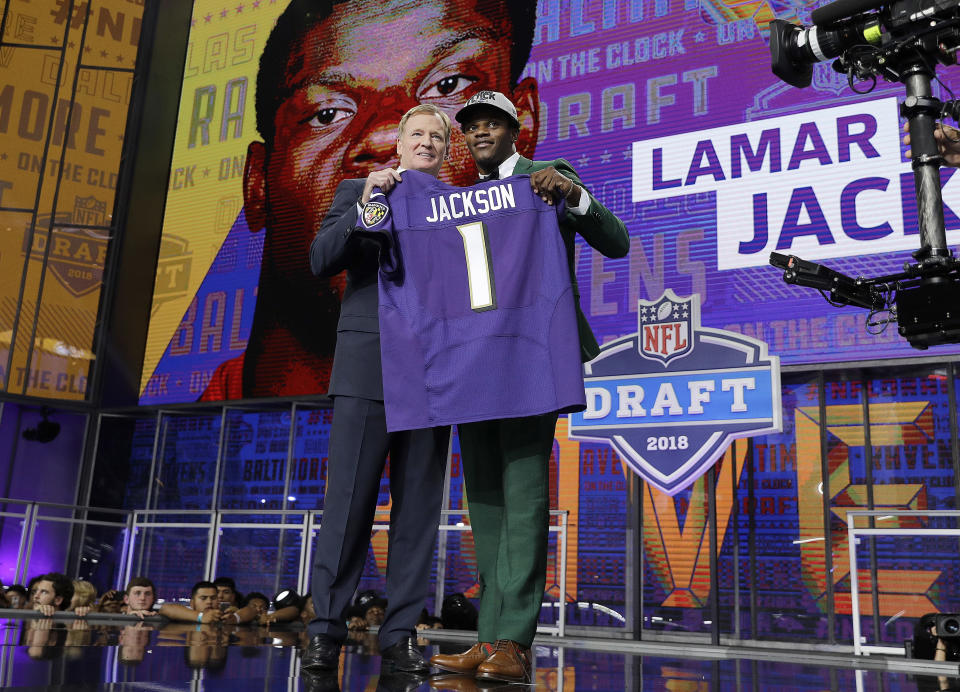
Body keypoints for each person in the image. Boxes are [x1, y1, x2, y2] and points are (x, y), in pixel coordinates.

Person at [196, 0, 537, 400]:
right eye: (326, 114)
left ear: (520, 130)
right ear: (257, 185)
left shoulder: (554, 437)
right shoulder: (168, 448)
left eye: (448, 85)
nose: (387, 133)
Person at [429, 91, 629, 684]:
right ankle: (489, 637)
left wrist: (572, 194)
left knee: (523, 501)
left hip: (531, 359)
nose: (480, 132)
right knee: (485, 505)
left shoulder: (547, 180)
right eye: (471, 127)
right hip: (474, 364)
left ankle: (513, 640)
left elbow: (615, 242)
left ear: (516, 132)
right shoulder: (460, 202)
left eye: (492, 123)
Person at [301, 102, 453, 675]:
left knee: (417, 514)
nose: (426, 144)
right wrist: (369, 203)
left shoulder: (461, 206)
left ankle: (400, 634)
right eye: (417, 134)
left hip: (436, 376)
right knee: (348, 508)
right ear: (400, 141)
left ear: (446, 148)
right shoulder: (359, 191)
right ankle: (325, 629)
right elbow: (322, 259)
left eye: (436, 137)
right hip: (368, 370)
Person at [158, 581, 225, 624]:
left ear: (218, 602)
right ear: (192, 603)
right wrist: (201, 617)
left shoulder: (224, 617)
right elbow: (165, 608)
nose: (209, 602)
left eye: (213, 598)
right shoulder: (186, 615)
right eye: (203, 598)